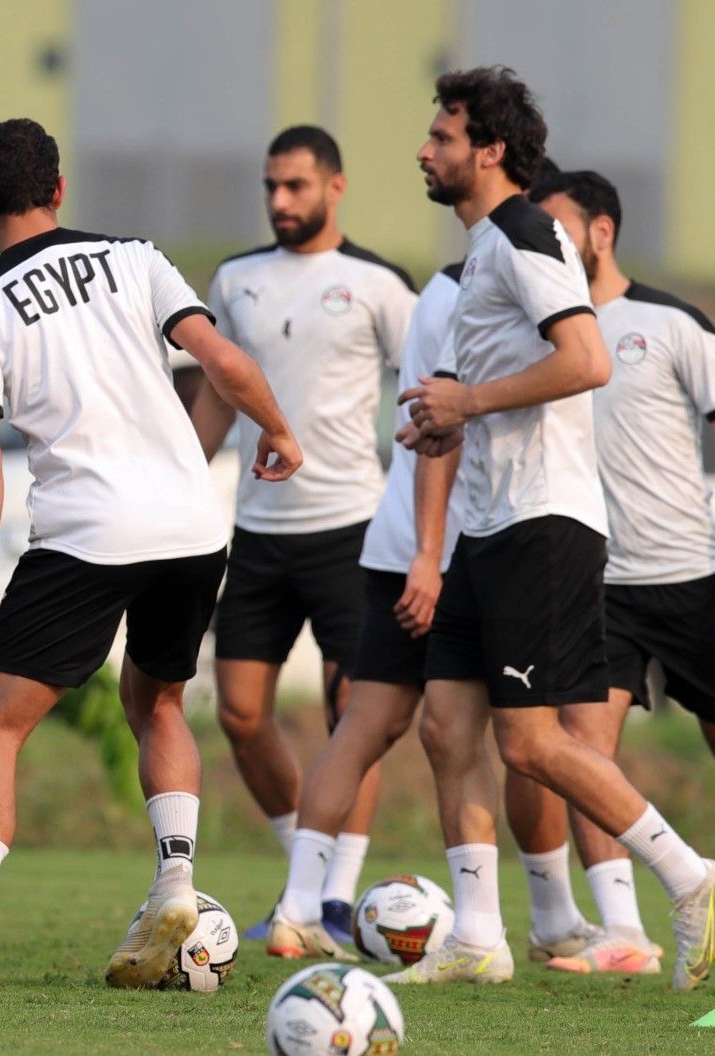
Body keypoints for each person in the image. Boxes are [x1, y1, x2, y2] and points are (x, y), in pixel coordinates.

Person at [0, 118, 301, 991]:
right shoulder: (134, 255)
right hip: (192, 522)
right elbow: (221, 356)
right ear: (60, 188)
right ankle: (177, 882)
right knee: (157, 702)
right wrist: (277, 429)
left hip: (89, 532)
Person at [395, 66, 715, 990]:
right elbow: (504, 387)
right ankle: (476, 937)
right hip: (490, 520)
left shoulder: (525, 232)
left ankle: (690, 876)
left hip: (544, 521)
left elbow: (586, 360)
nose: (425, 150)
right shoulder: (483, 254)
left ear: (490, 150)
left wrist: (469, 397)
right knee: (445, 728)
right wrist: (450, 415)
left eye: (442, 135)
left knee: (532, 744)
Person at [502, 168, 715, 977]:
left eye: (558, 227)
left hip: (695, 580)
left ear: (601, 232)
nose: (544, 243)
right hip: (598, 583)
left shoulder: (671, 323)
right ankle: (626, 930)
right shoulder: (539, 329)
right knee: (582, 751)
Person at [192, 127, 417, 942]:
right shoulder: (236, 279)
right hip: (258, 530)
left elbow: (426, 391)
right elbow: (220, 391)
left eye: (296, 186)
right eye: (271, 187)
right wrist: (184, 473)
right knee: (241, 712)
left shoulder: (378, 285)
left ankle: (332, 900)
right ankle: (304, 873)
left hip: (353, 531)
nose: (281, 202)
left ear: (335, 187)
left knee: (352, 711)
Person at [264, 258, 465, 958]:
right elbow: (441, 423)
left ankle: (303, 905)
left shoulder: (428, 290)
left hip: (393, 544)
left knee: (369, 725)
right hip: (436, 550)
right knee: (462, 732)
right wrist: (429, 556)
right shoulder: (466, 292)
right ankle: (497, 927)